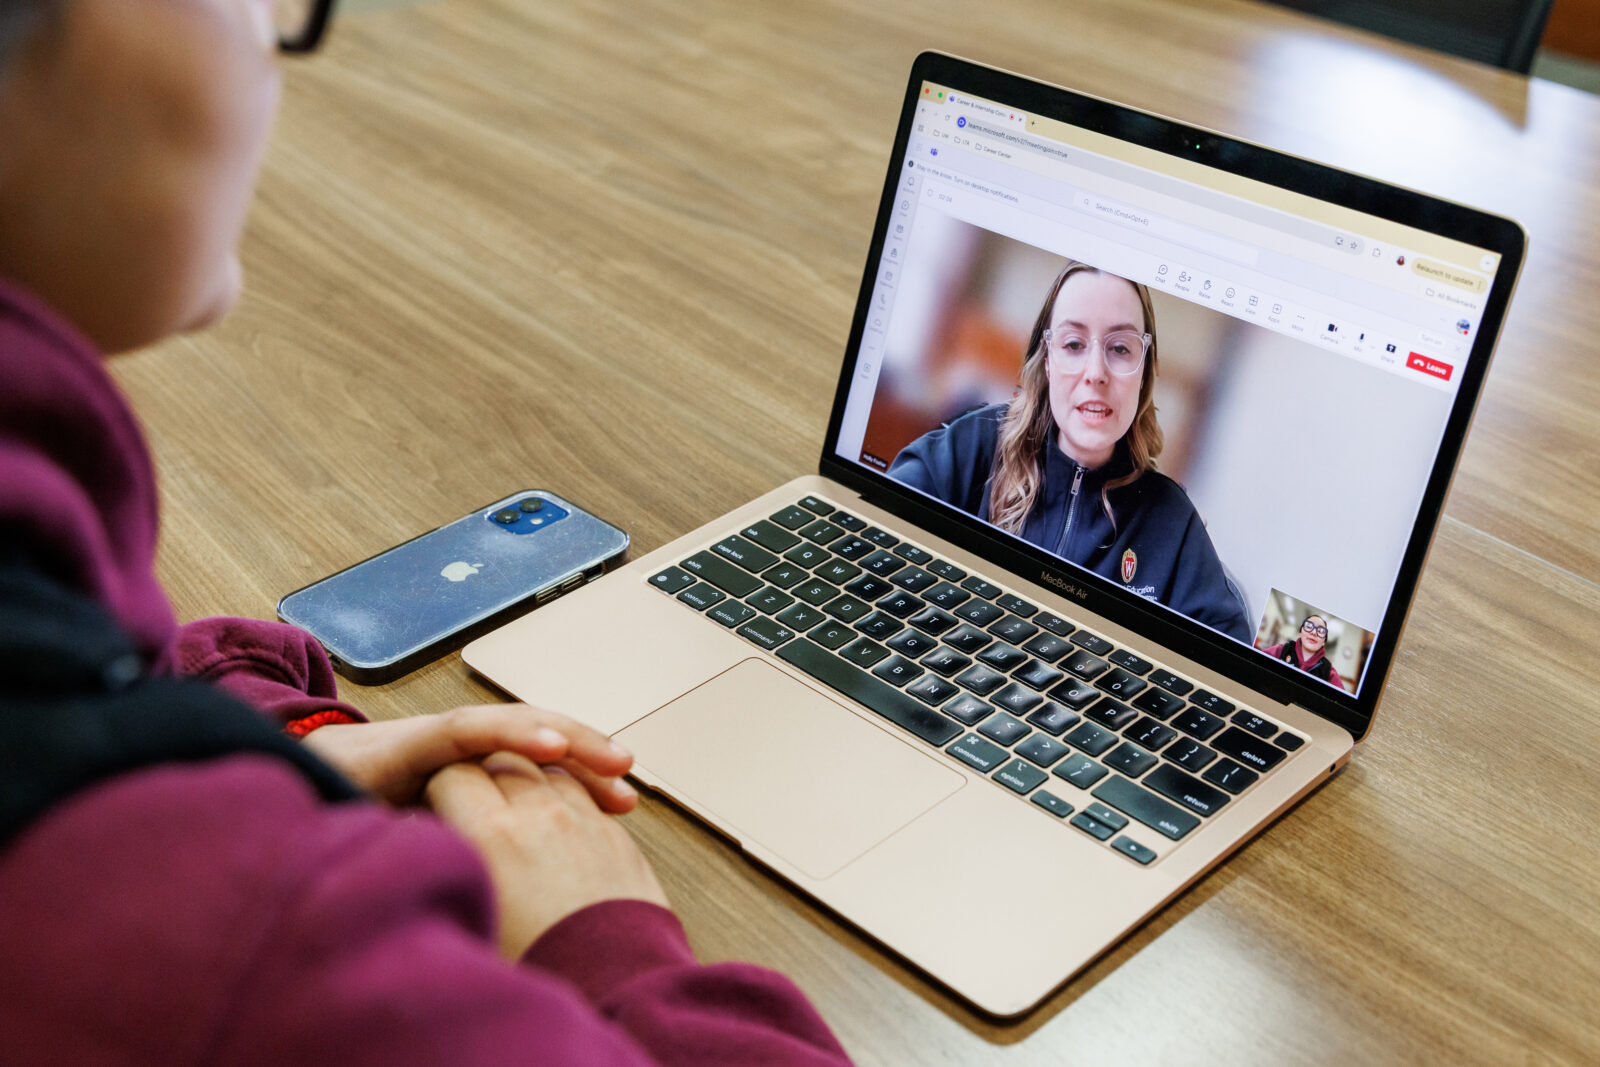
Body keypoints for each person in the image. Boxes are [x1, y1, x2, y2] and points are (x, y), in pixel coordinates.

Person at [0, 2, 850, 1063]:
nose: (275, 34)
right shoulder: (252, 945)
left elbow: (92, 696)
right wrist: (607, 941)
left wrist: (287, 743)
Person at [889, 259, 1251, 642]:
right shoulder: (976, 443)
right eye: (1074, 344)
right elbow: (880, 522)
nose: (1096, 372)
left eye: (1121, 349)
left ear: (1143, 373)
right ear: (1047, 361)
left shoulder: (1171, 522)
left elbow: (1230, 659)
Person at [1261, 614, 1349, 692]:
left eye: (1321, 631)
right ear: (1300, 632)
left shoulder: (1328, 671)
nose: (1314, 632)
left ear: (1323, 642)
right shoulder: (1282, 650)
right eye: (1309, 626)